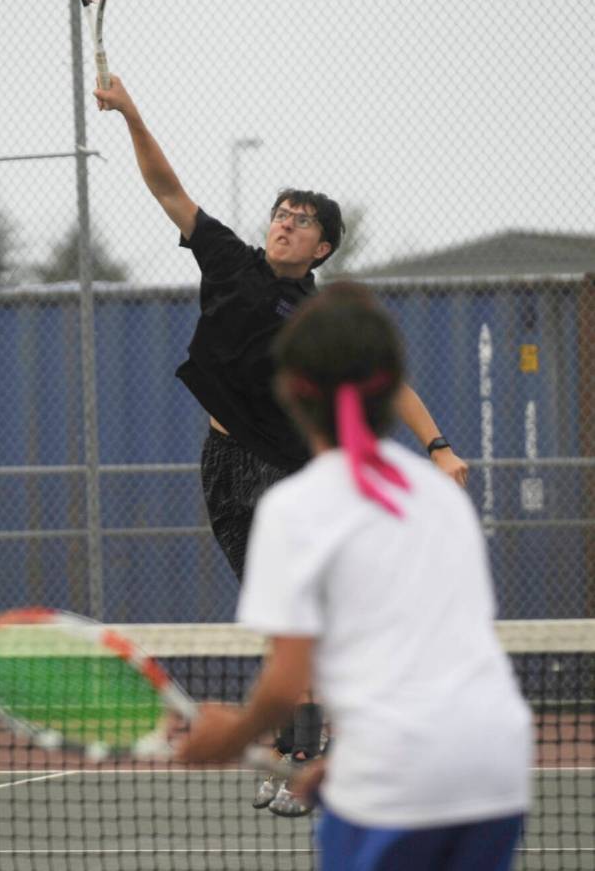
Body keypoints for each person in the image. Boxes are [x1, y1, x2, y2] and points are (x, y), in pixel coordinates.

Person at [95, 74, 469, 815]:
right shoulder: (228, 260)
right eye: (280, 213)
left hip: (283, 469)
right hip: (220, 466)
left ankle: (307, 756)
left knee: (295, 614)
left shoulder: (320, 311)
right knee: (280, 618)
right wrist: (132, 112)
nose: (285, 223)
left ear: (322, 243)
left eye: (301, 220)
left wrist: (439, 447)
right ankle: (304, 749)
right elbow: (165, 185)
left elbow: (386, 380)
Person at [177, 282, 532, 871]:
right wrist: (345, 762)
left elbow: (289, 679)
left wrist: (232, 735)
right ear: (391, 389)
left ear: (290, 392)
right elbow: (432, 659)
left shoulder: (295, 510)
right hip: (494, 766)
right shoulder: (440, 494)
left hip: (394, 781)